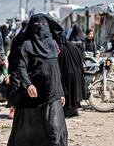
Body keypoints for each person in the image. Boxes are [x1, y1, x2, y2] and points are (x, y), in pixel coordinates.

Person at [8, 14, 67, 146]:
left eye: (43, 25)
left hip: (52, 93)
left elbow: (56, 70)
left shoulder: (52, 44)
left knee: (55, 129)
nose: (40, 28)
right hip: (32, 95)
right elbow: (21, 68)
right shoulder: (26, 45)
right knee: (28, 132)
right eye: (36, 26)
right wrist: (28, 85)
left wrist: (61, 91)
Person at [57, 32, 84, 117]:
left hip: (66, 74)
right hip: (77, 73)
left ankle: (67, 111)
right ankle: (74, 109)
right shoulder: (73, 45)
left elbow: (59, 63)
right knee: (75, 91)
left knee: (68, 92)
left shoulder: (59, 48)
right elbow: (80, 59)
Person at [7, 20, 28, 119]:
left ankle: (17, 109)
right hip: (19, 67)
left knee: (18, 87)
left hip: (18, 68)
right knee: (17, 87)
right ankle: (14, 109)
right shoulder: (22, 39)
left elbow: (10, 56)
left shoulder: (18, 38)